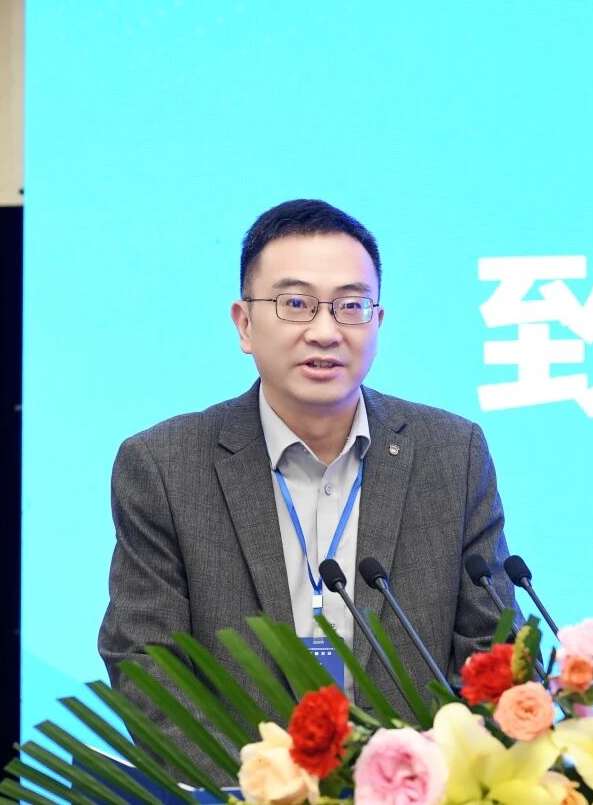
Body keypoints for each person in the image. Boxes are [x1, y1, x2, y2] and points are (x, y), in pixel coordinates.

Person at [98, 198, 516, 775]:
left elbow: (492, 650)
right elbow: (147, 666)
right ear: (245, 324)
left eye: (350, 306)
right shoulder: (165, 466)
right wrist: (261, 789)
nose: (325, 331)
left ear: (377, 322)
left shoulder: (452, 454)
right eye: (295, 304)